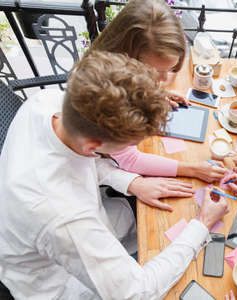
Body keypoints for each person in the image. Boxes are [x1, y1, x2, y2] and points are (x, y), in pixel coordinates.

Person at [0, 51, 229, 299]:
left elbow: (78, 160)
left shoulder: (46, 101)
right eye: (127, 146)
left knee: (145, 222)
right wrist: (203, 224)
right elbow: (138, 292)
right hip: (56, 285)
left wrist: (132, 181)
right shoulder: (64, 218)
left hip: (65, 223)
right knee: (163, 252)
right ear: (93, 146)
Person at [86, 0, 227, 209]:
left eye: (169, 70)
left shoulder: (119, 70)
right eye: (155, 72)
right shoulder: (103, 94)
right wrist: (193, 169)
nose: (162, 80)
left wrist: (157, 94)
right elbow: (128, 159)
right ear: (127, 59)